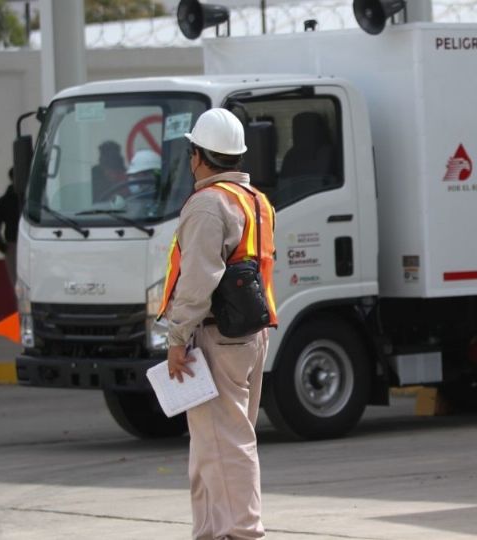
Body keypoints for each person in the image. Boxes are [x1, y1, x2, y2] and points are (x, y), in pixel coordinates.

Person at [157, 108, 278, 540]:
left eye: (191, 153)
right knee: (214, 442)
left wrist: (176, 339)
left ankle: (243, 532)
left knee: (225, 444)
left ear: (199, 156)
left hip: (215, 337)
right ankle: (210, 531)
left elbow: (197, 280)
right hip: (247, 335)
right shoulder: (255, 200)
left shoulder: (209, 204)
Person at [0, 167, 20, 287]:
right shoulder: (30, 200)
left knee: (17, 283)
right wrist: (3, 247)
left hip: (13, 245)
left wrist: (3, 247)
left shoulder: (3, 201)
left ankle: (23, 306)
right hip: (16, 245)